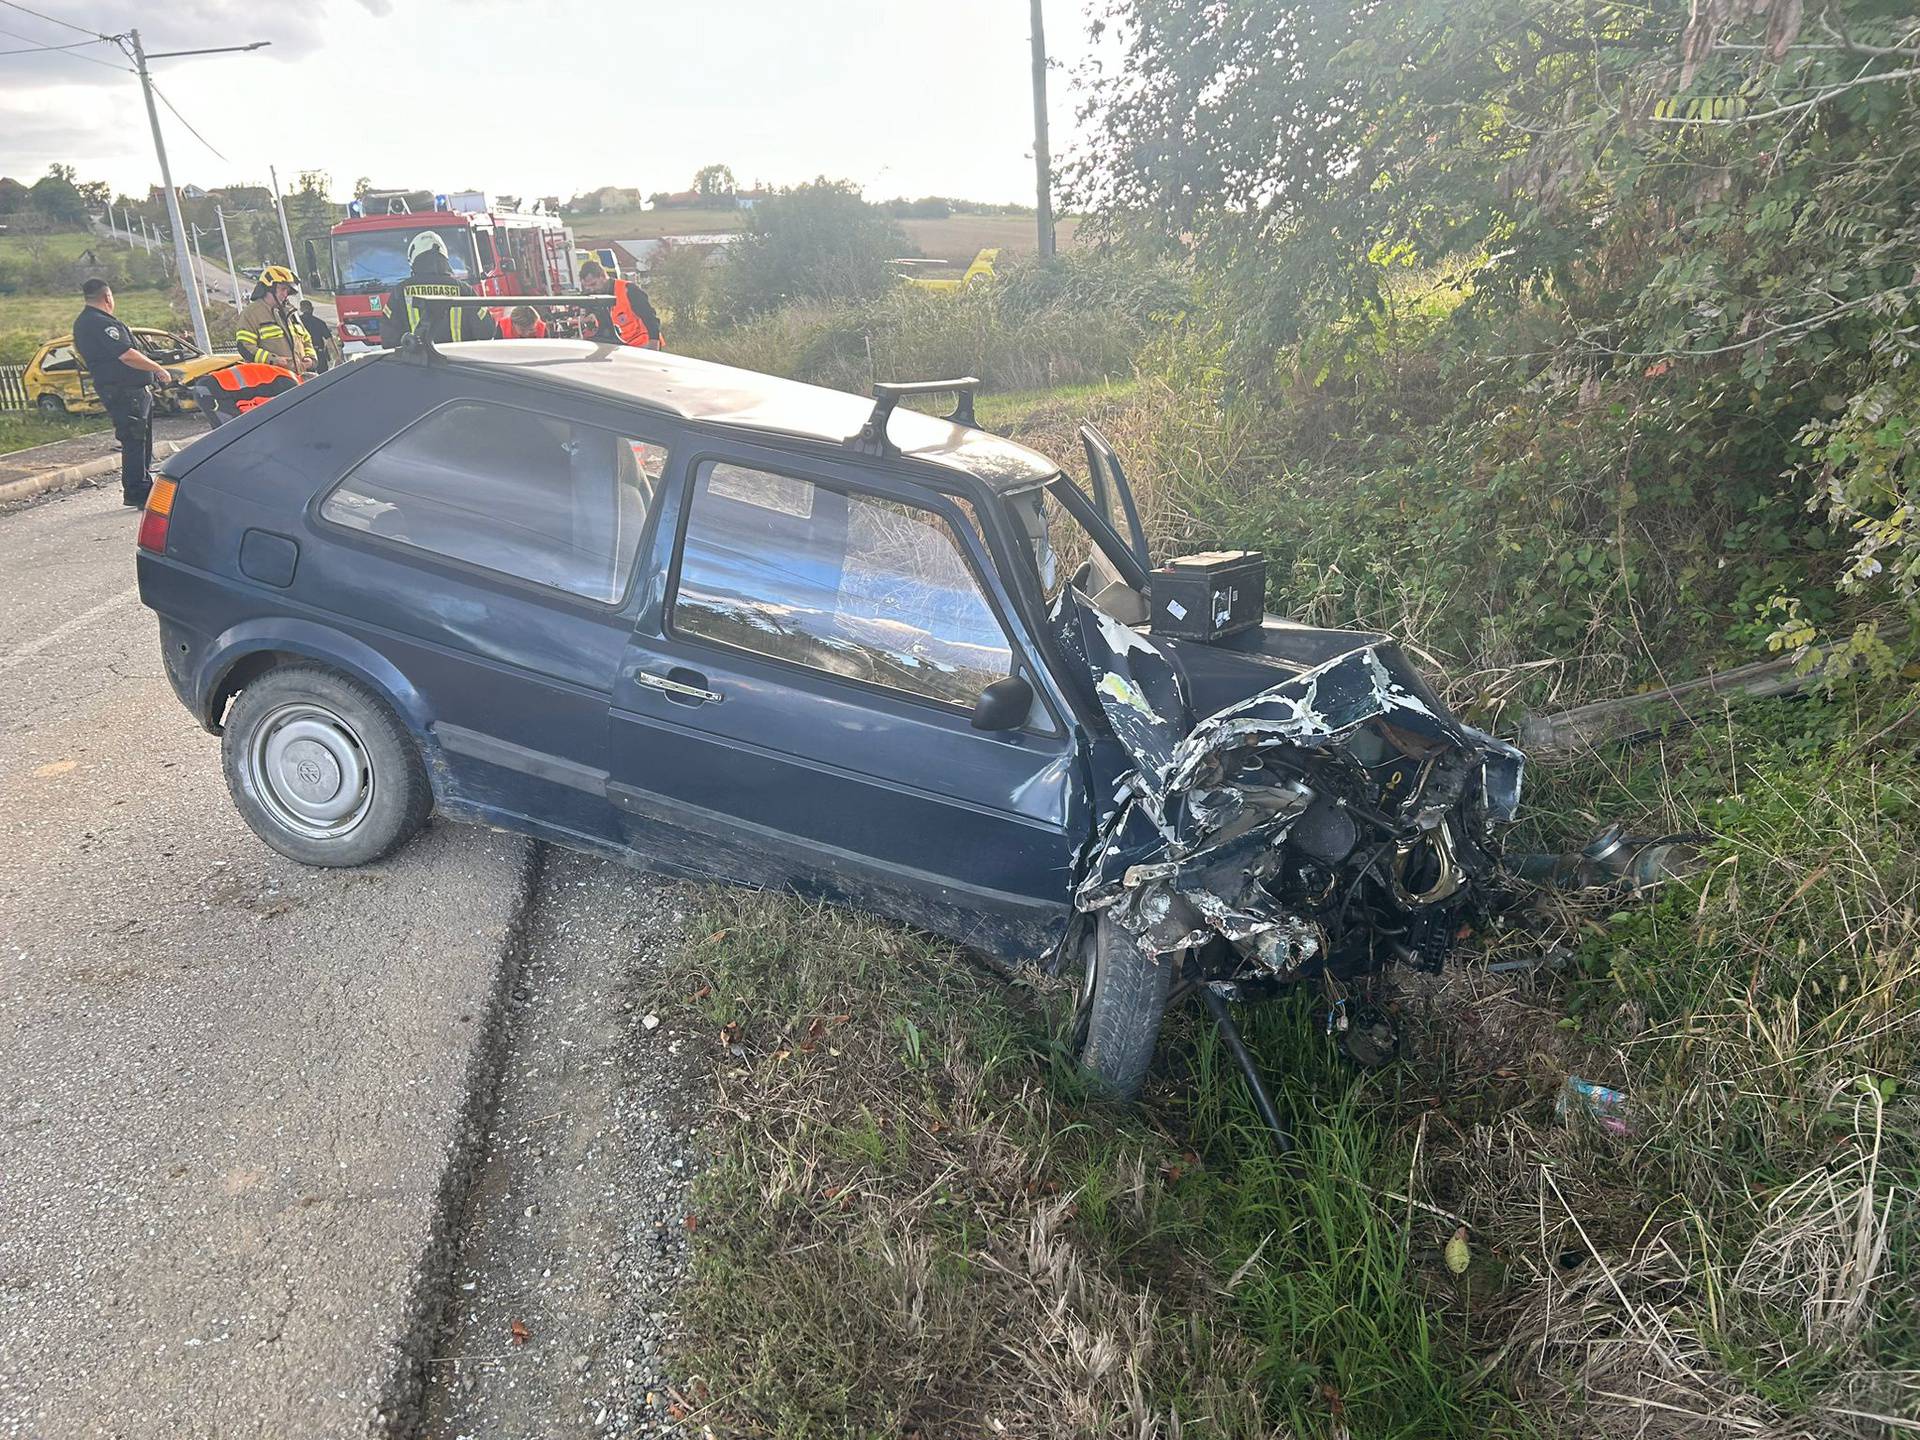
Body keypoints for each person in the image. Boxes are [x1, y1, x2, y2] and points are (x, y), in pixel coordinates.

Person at [71, 278, 177, 507]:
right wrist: (157, 368)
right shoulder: (98, 322)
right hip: (124, 391)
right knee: (135, 439)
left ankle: (141, 486)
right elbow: (126, 355)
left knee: (140, 439)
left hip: (126, 389)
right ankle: (138, 491)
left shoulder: (88, 322)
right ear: (108, 297)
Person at [380, 231, 496, 347]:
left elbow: (389, 340)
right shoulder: (465, 290)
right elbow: (487, 332)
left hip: (416, 363)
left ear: (415, 260)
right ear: (444, 258)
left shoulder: (400, 292)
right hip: (458, 362)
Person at [234, 267, 313, 376]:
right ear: (269, 288)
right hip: (272, 381)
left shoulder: (290, 312)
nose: (285, 294)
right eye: (282, 289)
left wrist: (310, 358)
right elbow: (245, 346)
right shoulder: (252, 313)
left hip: (298, 379)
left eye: (288, 290)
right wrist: (273, 360)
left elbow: (306, 338)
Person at [577, 260, 662, 349]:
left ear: (603, 276)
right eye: (587, 287)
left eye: (593, 284)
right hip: (619, 346)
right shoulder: (592, 297)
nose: (591, 289)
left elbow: (650, 317)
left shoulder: (628, 290)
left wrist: (654, 343)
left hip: (642, 344)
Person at [299, 299, 336, 372]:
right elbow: (329, 340)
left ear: (301, 309)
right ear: (312, 309)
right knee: (323, 377)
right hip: (319, 354)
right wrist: (337, 357)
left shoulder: (296, 323)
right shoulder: (320, 322)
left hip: (304, 356)